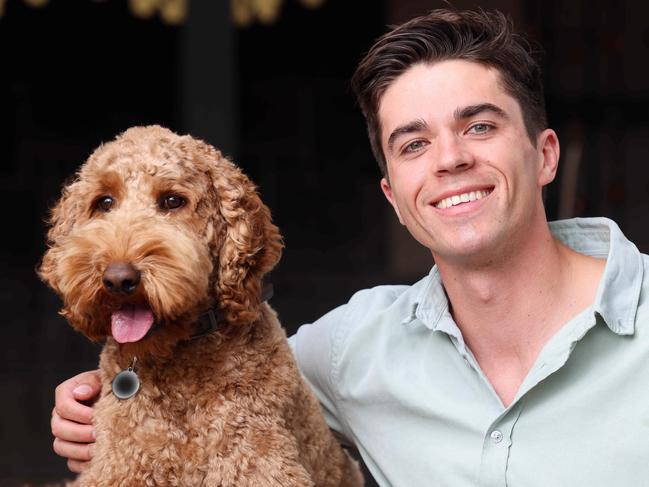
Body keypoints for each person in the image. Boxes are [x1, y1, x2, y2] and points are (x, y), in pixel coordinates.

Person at [50, 8, 649, 486]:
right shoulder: (348, 348)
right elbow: (218, 372)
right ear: (393, 194)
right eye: (413, 144)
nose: (450, 159)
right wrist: (89, 402)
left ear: (545, 154)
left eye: (480, 126)